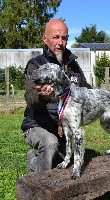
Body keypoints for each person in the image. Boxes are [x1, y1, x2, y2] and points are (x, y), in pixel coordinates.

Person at [21, 19, 92, 173]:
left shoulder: (73, 64)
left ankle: (34, 158)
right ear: (45, 39)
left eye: (64, 38)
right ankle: (39, 185)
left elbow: (86, 89)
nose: (60, 42)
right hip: (36, 125)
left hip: (61, 127)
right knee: (50, 144)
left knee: (59, 160)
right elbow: (30, 99)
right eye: (55, 37)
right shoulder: (36, 65)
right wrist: (43, 96)